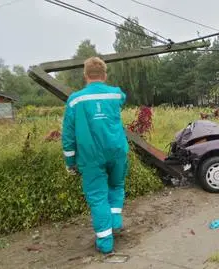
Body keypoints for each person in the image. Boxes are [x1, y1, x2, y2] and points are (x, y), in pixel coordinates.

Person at [62, 56, 129, 254]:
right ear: (105, 75)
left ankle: (105, 244)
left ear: (85, 75)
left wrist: (70, 161)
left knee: (98, 198)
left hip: (90, 156)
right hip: (117, 151)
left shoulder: (75, 100)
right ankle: (115, 221)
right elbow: (122, 97)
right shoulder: (116, 95)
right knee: (116, 185)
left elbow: (68, 135)